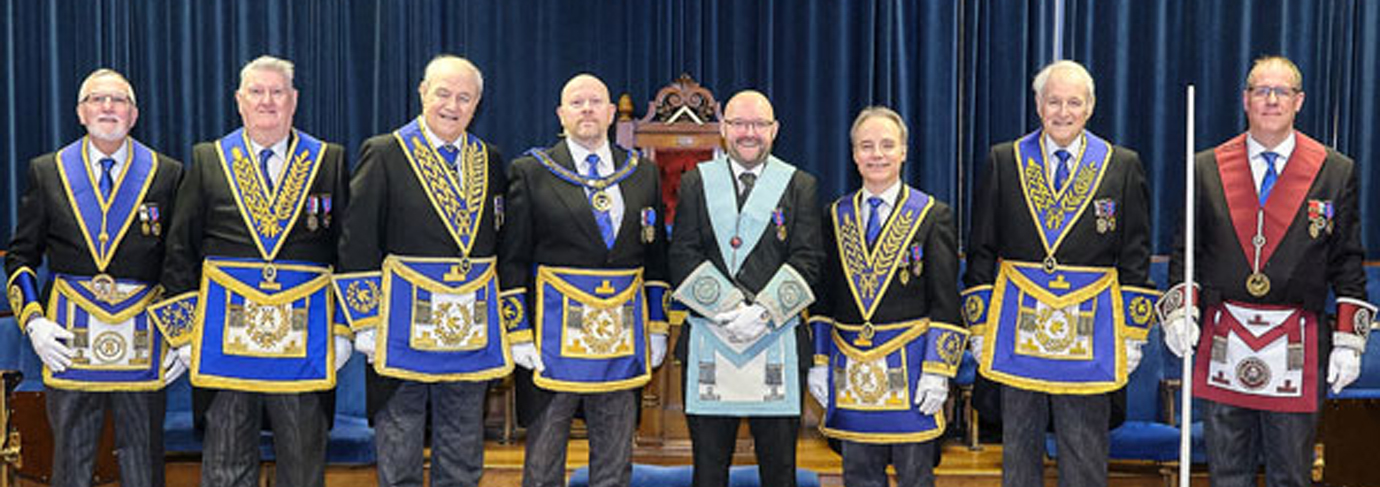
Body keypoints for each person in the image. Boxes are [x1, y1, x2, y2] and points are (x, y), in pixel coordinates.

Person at [1159, 55, 1371, 487]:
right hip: (1224, 340)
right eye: (1261, 91)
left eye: (1282, 92)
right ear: (1245, 100)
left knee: (1291, 475)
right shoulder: (1207, 167)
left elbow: (1347, 260)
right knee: (1227, 473)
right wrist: (1182, 312)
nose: (1271, 100)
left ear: (1299, 101)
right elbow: (1187, 251)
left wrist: (1351, 341)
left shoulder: (1334, 170)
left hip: (1299, 341)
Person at [150, 55, 351, 487]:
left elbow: (347, 253)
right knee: (225, 468)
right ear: (239, 101)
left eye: (277, 92)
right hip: (225, 345)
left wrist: (344, 329)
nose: (267, 101)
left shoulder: (328, 160)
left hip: (305, 347)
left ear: (294, 100)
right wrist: (185, 336)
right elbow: (180, 251)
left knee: (302, 469)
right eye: (257, 92)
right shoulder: (209, 159)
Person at [962, 60, 1155, 487]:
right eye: (1054, 101)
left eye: (1073, 102)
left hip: (1093, 331)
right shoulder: (1005, 160)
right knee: (1019, 451)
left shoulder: (1120, 165)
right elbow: (981, 249)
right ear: (1037, 105)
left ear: (1090, 107)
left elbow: (1134, 254)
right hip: (1018, 327)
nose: (1063, 112)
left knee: (1084, 451)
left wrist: (1133, 331)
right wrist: (979, 325)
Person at [335, 54, 509, 487]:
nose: (452, 105)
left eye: (464, 97)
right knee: (400, 449)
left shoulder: (489, 159)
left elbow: (499, 245)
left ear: (477, 105)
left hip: (468, 332)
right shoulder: (386, 152)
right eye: (444, 93)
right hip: (398, 331)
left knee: (464, 451)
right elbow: (356, 243)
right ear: (422, 93)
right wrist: (365, 322)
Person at [5, 68, 183, 487]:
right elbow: (21, 257)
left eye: (118, 99)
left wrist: (181, 333)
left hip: (144, 340)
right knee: (72, 462)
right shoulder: (48, 171)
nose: (108, 107)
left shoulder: (167, 173)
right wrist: (34, 322)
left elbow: (180, 261)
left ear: (134, 114)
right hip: (69, 339)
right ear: (80, 113)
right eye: (97, 99)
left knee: (143, 464)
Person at [499, 73, 670, 487]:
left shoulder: (641, 173)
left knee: (614, 463)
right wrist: (518, 331)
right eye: (577, 103)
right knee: (542, 464)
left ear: (612, 113)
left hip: (622, 341)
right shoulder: (531, 170)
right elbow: (513, 259)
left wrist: (658, 324)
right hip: (551, 343)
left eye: (596, 101)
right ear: (561, 114)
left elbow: (656, 258)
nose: (588, 109)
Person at [668, 90, 824, 487]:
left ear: (774, 130)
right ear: (723, 129)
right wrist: (729, 309)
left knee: (779, 472)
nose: (748, 133)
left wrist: (763, 313)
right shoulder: (695, 183)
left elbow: (808, 258)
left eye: (758, 124)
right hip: (710, 337)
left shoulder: (800, 185)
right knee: (708, 470)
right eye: (739, 123)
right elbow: (683, 254)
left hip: (776, 338)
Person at [806, 107, 966, 487]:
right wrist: (819, 360)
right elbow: (825, 297)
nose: (877, 155)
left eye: (886, 145)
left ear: (904, 152)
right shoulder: (833, 215)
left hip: (912, 373)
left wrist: (937, 371)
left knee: (915, 476)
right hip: (852, 371)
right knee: (858, 476)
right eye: (867, 146)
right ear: (854, 155)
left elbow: (945, 299)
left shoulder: (932, 215)